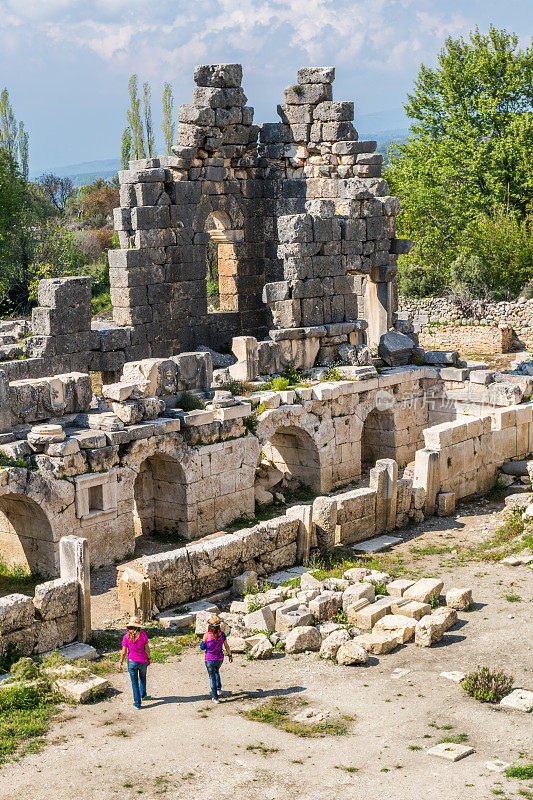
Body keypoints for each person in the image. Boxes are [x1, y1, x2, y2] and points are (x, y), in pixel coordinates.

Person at [119, 616, 151, 709]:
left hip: (132, 662)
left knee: (134, 683)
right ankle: (143, 694)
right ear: (139, 627)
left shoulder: (126, 637)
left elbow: (124, 651)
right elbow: (147, 649)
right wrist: (149, 658)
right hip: (143, 661)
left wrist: (121, 660)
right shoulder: (144, 635)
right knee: (143, 678)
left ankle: (137, 704)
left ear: (129, 628)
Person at [200, 615, 232, 703]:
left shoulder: (206, 635)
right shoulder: (222, 635)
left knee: (212, 677)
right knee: (217, 671)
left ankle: (215, 697)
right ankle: (219, 689)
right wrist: (230, 655)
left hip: (209, 659)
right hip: (220, 658)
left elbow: (202, 647)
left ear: (209, 626)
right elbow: (226, 646)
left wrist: (203, 641)